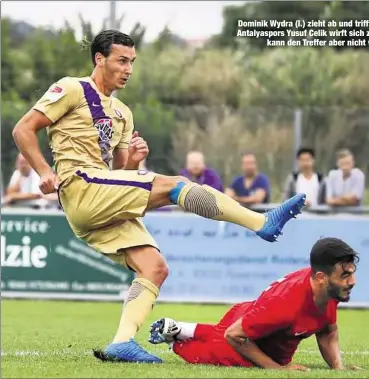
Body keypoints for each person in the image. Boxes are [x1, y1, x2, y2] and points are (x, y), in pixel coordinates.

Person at [12, 30, 306, 364]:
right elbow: (23, 128)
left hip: (99, 194)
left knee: (154, 268)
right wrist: (44, 171)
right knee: (176, 186)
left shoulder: (122, 112)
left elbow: (119, 170)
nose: (128, 69)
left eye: (132, 62)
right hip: (81, 185)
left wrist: (135, 161)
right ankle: (261, 221)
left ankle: (122, 342)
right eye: (121, 61)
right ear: (99, 58)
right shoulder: (72, 88)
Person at [148, 237, 360, 370]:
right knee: (215, 353)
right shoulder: (287, 304)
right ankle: (173, 340)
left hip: (254, 315)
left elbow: (327, 331)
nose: (352, 281)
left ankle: (181, 328)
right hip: (247, 328)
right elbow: (234, 335)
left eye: (352, 273)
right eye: (345, 275)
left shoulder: (328, 289)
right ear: (321, 277)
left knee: (221, 333)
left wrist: (338, 367)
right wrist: (276, 369)